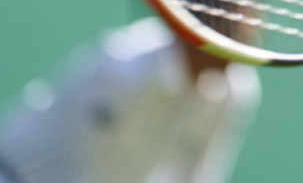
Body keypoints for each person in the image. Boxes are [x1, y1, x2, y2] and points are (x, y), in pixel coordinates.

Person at [0, 16, 260, 183]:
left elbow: (199, 174)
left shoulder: (235, 89)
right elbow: (90, 169)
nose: (245, 48)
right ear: (196, 33)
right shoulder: (122, 71)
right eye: (233, 35)